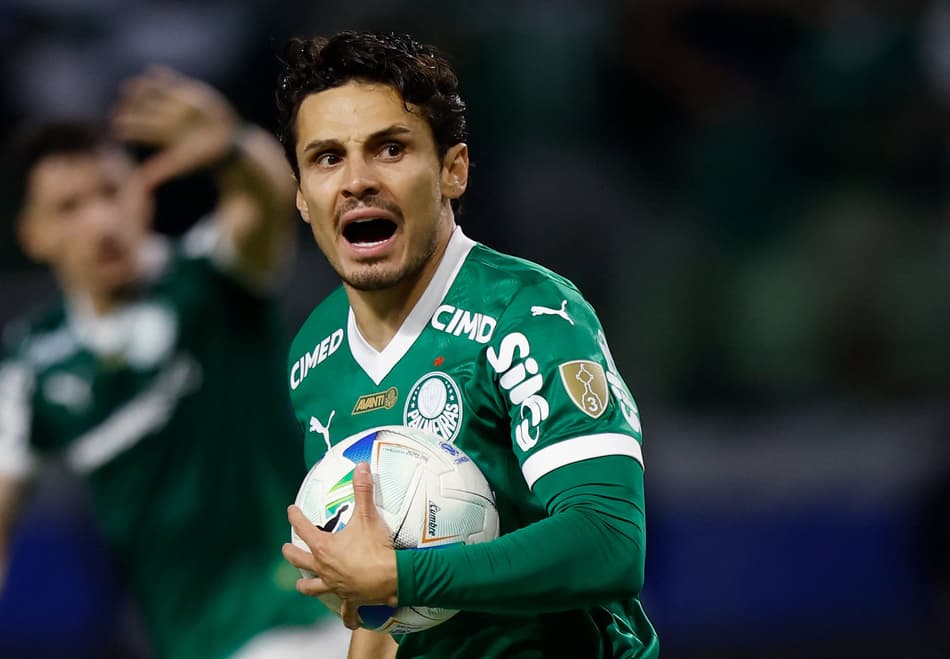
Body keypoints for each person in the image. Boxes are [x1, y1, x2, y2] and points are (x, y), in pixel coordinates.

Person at [276, 31, 659, 658]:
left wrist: (401, 577)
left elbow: (609, 540)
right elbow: (381, 618)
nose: (357, 181)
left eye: (390, 149)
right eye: (327, 158)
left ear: (453, 170)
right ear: (300, 195)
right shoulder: (314, 356)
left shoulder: (528, 313)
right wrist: (381, 586)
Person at [0, 68, 350, 658]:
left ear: (143, 194)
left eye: (111, 192)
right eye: (69, 207)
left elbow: (265, 203)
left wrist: (235, 146)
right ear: (33, 234)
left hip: (314, 601)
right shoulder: (29, 366)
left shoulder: (212, 279)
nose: (100, 222)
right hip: (200, 640)